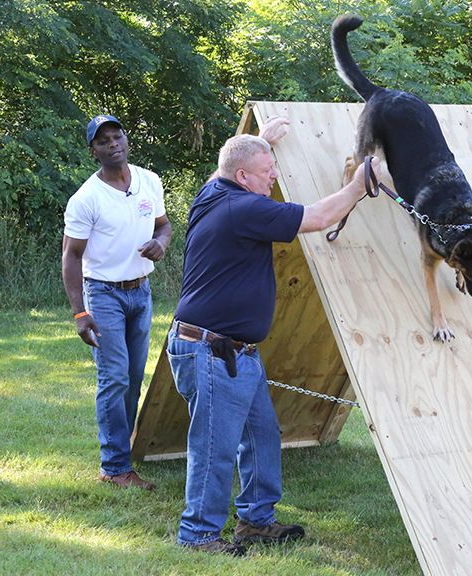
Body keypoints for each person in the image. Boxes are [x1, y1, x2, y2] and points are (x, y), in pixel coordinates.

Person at [168, 116, 380, 555]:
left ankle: (256, 521)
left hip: (233, 351)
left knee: (261, 436)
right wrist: (360, 183)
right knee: (216, 447)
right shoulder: (243, 208)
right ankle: (198, 535)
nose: (276, 177)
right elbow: (320, 216)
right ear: (243, 177)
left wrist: (259, 144)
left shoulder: (215, 192)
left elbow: (226, 166)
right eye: (268, 172)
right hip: (210, 350)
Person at [62, 114, 172, 490]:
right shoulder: (86, 199)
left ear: (127, 139)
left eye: (117, 135)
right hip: (104, 292)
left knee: (132, 378)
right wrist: (81, 312)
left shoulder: (148, 181)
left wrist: (162, 243)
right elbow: (71, 257)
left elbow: (163, 225)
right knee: (114, 378)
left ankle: (121, 456)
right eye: (104, 140)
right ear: (93, 151)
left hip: (140, 291)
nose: (113, 143)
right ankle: (114, 467)